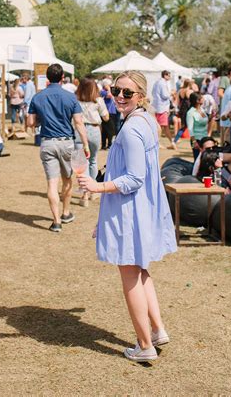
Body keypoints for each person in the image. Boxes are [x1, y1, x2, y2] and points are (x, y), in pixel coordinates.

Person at [77, 71, 177, 363]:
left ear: (142, 97)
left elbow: (134, 178)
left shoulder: (133, 128)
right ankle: (157, 330)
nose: (119, 97)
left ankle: (145, 345)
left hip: (130, 211)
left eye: (127, 93)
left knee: (130, 276)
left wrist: (97, 186)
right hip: (137, 208)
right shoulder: (143, 120)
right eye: (116, 91)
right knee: (141, 271)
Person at [27, 63, 90, 232]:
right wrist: (85, 144)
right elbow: (78, 123)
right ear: (63, 78)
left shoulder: (37, 97)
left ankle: (56, 222)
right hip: (66, 142)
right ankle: (66, 212)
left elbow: (31, 123)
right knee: (67, 180)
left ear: (47, 78)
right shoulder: (71, 97)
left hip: (47, 142)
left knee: (52, 183)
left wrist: (43, 120)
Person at [74, 77, 109, 207]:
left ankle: (84, 194)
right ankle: (93, 190)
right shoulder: (98, 100)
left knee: (81, 164)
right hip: (94, 130)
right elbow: (106, 117)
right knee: (93, 161)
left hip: (79, 131)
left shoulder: (76, 100)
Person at [151, 71, 177, 150]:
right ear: (165, 75)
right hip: (162, 108)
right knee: (162, 127)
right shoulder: (162, 83)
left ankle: (172, 143)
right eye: (169, 75)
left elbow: (153, 93)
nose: (170, 77)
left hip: (158, 107)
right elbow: (165, 95)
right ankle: (158, 143)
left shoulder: (157, 82)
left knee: (163, 127)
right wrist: (171, 93)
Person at [186, 93, 209, 160]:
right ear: (197, 101)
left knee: (206, 159)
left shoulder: (202, 110)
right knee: (198, 160)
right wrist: (194, 142)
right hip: (197, 139)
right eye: (202, 98)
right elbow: (190, 128)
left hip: (205, 138)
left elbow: (205, 121)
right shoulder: (190, 113)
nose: (204, 99)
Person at [100, 81, 118, 149]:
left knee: (110, 129)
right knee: (107, 129)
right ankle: (106, 145)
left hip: (112, 112)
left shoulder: (109, 90)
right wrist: (108, 88)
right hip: (106, 112)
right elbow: (109, 95)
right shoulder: (102, 91)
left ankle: (108, 144)